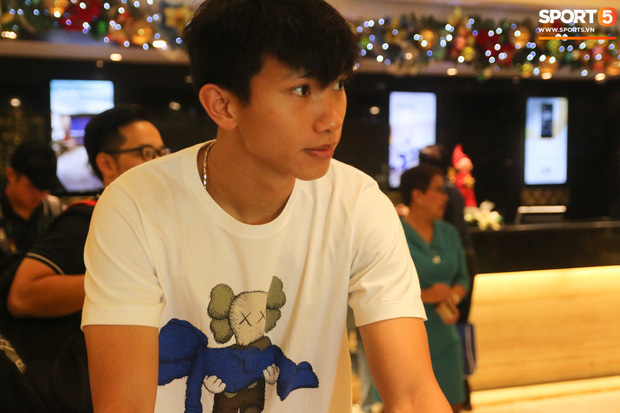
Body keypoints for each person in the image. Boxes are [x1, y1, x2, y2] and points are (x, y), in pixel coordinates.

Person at [81, 1, 451, 412]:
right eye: (301, 90)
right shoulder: (135, 205)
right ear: (223, 105)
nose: (331, 118)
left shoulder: (357, 203)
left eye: (338, 85)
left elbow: (413, 394)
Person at [0, 105, 167, 413]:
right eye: (145, 153)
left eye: (161, 152)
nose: (158, 162)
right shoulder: (90, 219)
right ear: (106, 163)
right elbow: (21, 296)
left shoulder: (148, 222)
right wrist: (125, 282)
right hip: (77, 389)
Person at [399, 164, 470, 413]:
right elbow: (382, 289)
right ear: (417, 195)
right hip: (406, 340)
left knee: (452, 405)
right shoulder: (394, 234)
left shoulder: (449, 233)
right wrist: (425, 296)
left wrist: (452, 296)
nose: (445, 197)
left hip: (445, 336)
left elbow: (463, 278)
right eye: (439, 190)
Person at [0, 141, 63, 271]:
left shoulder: (54, 209)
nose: (40, 194)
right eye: (32, 186)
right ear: (11, 174)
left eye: (45, 187)